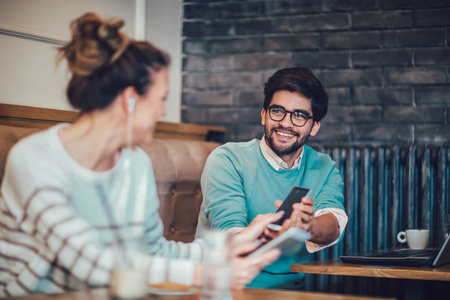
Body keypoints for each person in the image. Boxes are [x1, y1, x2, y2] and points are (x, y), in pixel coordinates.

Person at [0, 13, 281, 297]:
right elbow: (91, 263)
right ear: (129, 100)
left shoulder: (136, 164)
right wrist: (204, 274)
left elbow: (155, 252)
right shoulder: (35, 159)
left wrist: (237, 240)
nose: (163, 112)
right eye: (160, 99)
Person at [196, 67, 348, 289]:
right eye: (278, 111)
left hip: (290, 292)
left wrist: (307, 225)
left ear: (314, 127)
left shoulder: (324, 166)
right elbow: (229, 232)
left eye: (300, 115)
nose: (286, 123)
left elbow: (334, 224)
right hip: (227, 288)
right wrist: (268, 234)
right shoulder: (227, 159)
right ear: (263, 114)